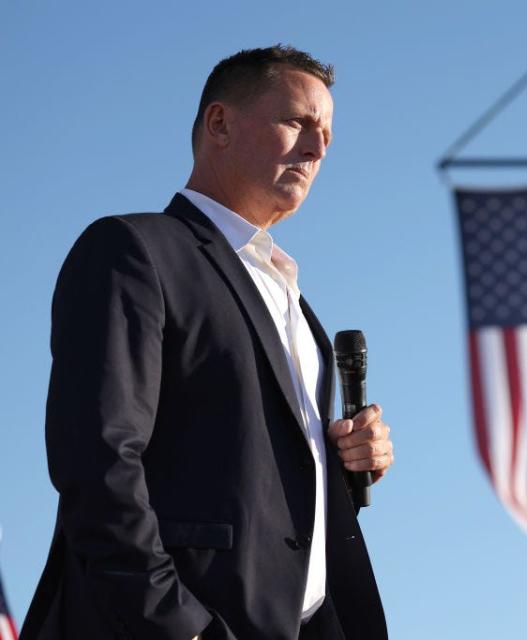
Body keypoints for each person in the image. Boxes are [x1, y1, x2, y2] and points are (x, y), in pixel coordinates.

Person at [20, 45, 393, 640]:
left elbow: (259, 467)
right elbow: (98, 460)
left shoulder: (295, 301)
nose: (317, 148)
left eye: (325, 133)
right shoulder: (134, 251)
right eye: (296, 121)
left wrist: (345, 458)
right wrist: (179, 627)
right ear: (219, 123)